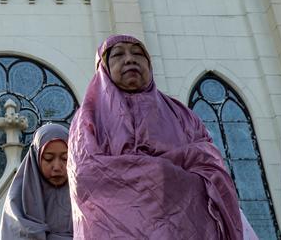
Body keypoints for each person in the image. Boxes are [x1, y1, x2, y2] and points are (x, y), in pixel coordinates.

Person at [67, 35, 243, 239]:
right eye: (117, 55)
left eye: (138, 54)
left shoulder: (180, 114)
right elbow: (86, 175)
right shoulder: (89, 118)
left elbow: (211, 166)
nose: (130, 59)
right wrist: (161, 173)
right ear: (103, 68)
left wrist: (164, 177)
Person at [0, 123, 72, 240]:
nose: (57, 167)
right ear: (35, 157)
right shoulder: (18, 200)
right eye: (48, 158)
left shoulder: (86, 195)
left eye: (65, 158)